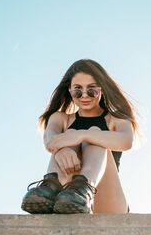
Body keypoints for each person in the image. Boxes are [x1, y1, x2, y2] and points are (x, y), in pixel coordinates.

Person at [21, 59, 139, 214]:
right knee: (67, 138)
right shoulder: (60, 118)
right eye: (78, 90)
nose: (84, 95)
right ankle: (50, 187)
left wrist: (82, 134)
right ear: (69, 91)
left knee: (93, 133)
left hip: (108, 203)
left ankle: (82, 190)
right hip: (65, 199)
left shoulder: (116, 120)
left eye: (91, 90)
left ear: (101, 89)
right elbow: (50, 141)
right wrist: (62, 149)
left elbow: (126, 141)